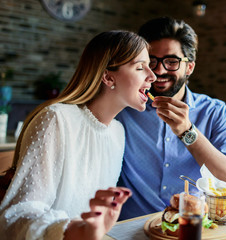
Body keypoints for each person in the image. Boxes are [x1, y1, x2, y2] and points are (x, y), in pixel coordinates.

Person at [0, 30, 156, 239]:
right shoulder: (56, 119)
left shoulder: (118, 132)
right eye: (139, 67)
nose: (152, 76)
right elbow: (18, 213)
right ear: (108, 76)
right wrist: (78, 231)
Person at [116, 16, 226, 220]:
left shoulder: (214, 111)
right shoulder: (123, 109)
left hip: (191, 225)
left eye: (171, 61)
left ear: (189, 68)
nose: (159, 70)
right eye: (151, 61)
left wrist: (187, 131)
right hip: (132, 228)